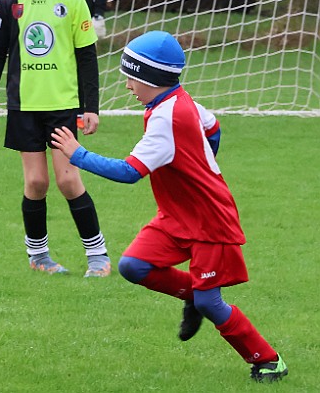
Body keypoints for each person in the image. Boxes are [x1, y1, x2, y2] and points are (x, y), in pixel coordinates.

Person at [50, 31, 288, 382]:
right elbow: (213, 127)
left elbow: (129, 172)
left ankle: (269, 360)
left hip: (209, 219)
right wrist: (199, 166)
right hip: (178, 215)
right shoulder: (177, 101)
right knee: (133, 266)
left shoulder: (166, 120)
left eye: (131, 77)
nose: (128, 85)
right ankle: (193, 295)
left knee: (211, 303)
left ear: (150, 78)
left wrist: (77, 154)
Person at [0, 0, 111, 278]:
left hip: (63, 107)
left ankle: (98, 256)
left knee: (69, 181)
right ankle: (39, 256)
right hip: (24, 108)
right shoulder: (8, 3)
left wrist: (90, 107)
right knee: (36, 183)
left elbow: (86, 58)